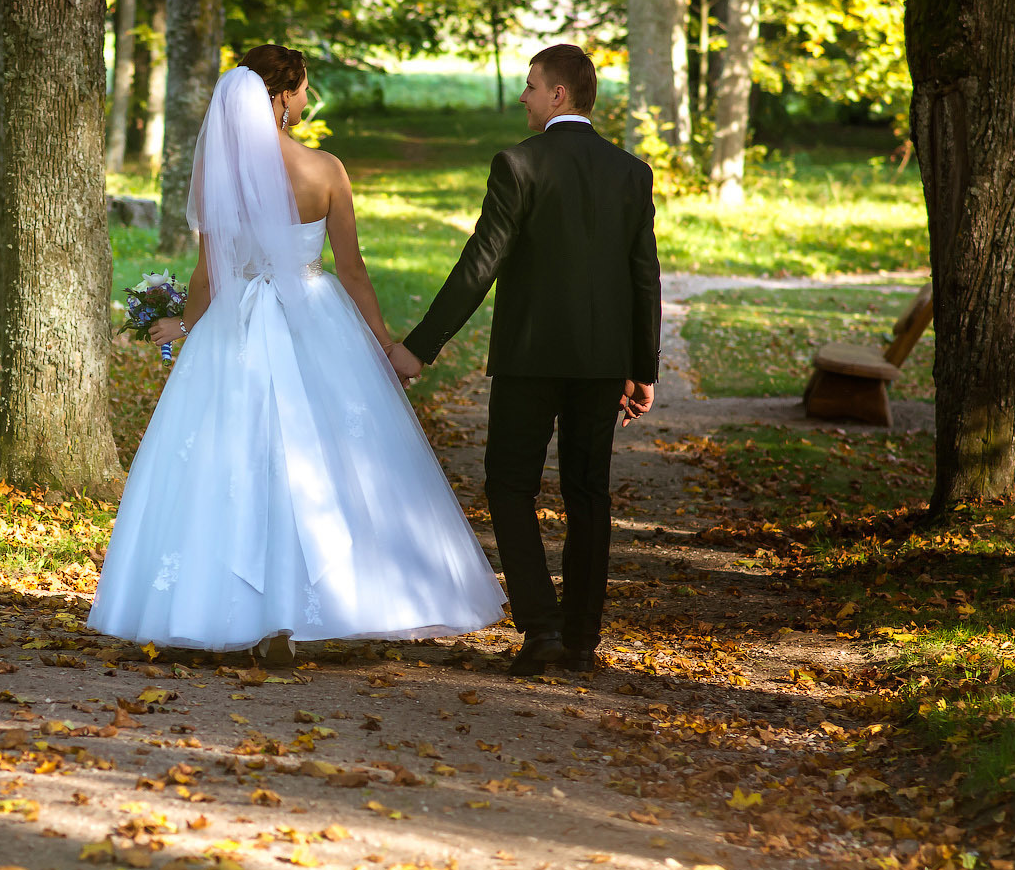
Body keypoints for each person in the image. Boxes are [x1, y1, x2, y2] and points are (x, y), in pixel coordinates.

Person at [88, 46, 506, 663]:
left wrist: (182, 325)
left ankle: (227, 607)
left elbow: (209, 274)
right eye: (305, 88)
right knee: (331, 454)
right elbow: (354, 270)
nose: (308, 98)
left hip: (239, 325)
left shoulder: (219, 175)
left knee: (236, 455)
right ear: (282, 97)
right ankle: (342, 600)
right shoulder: (326, 169)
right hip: (317, 318)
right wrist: (387, 345)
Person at [387, 43, 661, 677]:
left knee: (510, 485)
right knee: (587, 492)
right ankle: (583, 639)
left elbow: (480, 265)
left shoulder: (518, 164)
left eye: (532, 86)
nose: (524, 97)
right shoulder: (631, 172)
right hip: (600, 364)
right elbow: (644, 275)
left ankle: (541, 629)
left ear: (558, 95)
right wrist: (642, 368)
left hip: (528, 360)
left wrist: (419, 348)